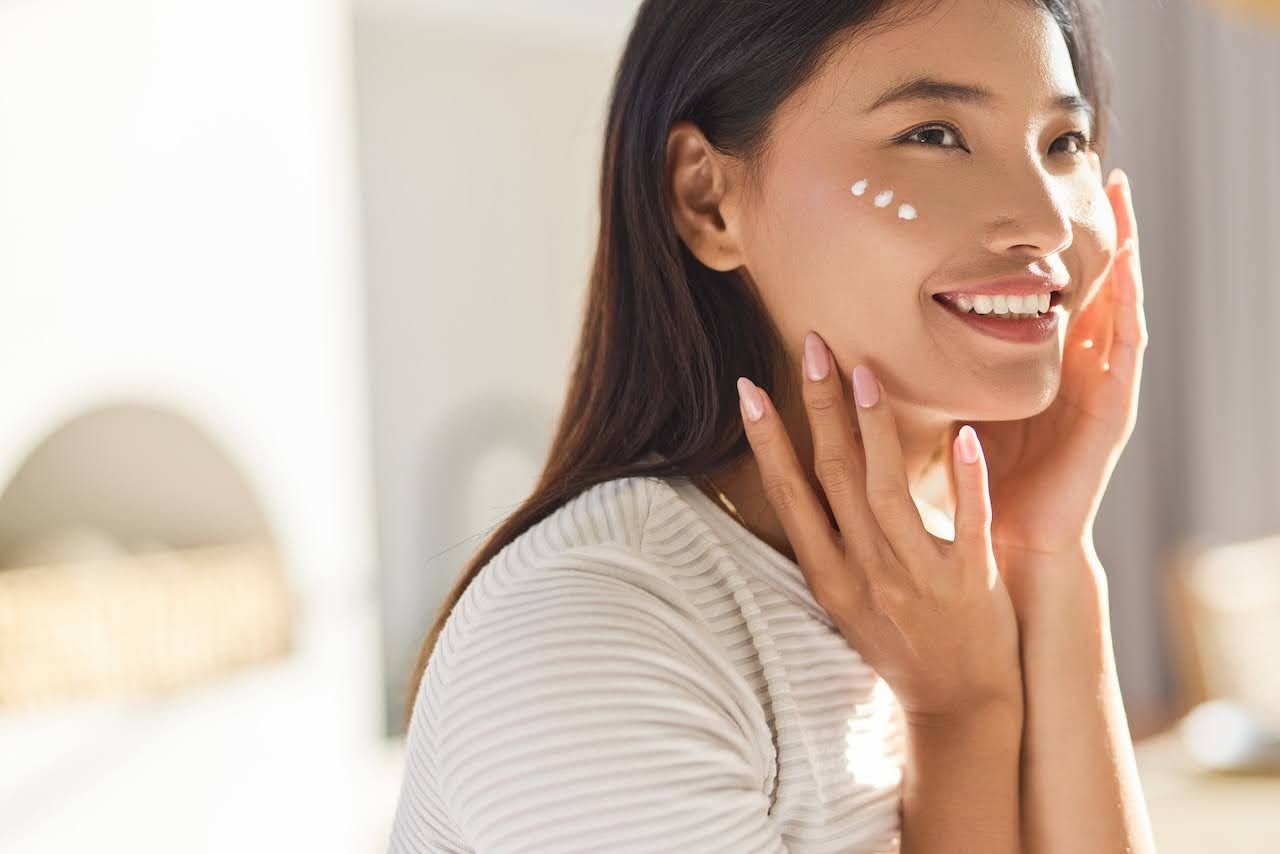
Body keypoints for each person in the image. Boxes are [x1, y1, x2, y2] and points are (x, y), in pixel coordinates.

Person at [387, 0, 1156, 851]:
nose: (1047, 223)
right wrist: (963, 717)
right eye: (934, 134)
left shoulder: (951, 588)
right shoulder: (594, 640)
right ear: (708, 198)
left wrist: (1050, 558)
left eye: (1064, 143)